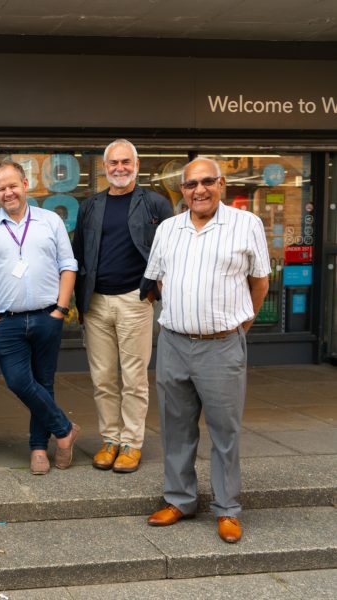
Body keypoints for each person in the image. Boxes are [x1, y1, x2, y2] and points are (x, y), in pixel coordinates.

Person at [144, 157, 270, 544]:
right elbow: (159, 282)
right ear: (181, 190)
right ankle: (180, 499)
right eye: (190, 184)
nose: (199, 190)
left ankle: (227, 508)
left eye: (207, 182)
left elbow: (260, 283)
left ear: (222, 183)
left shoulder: (247, 225)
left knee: (224, 432)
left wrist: (236, 327)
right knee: (176, 428)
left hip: (221, 346)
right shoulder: (167, 229)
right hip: (174, 344)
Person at [73, 139, 173, 473]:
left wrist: (150, 291)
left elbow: (168, 254)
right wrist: (79, 301)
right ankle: (110, 439)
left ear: (137, 164)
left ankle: (131, 443)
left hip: (135, 300)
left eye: (125, 162)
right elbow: (79, 252)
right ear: (105, 167)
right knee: (102, 378)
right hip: (97, 303)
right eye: (113, 163)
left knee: (134, 379)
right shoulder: (90, 205)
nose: (119, 168)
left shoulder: (156, 203)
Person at [0, 159, 80, 475]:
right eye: (0, 188)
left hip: (47, 316)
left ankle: (38, 448)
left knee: (43, 383)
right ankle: (64, 430)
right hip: (6, 320)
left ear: (24, 184)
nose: (7, 192)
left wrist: (60, 310)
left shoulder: (51, 221)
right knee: (20, 381)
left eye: (12, 185)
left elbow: (68, 265)